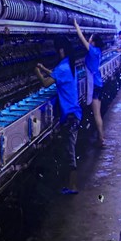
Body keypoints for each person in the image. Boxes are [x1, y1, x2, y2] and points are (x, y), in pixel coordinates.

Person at [35, 37, 82, 194]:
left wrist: (37, 72)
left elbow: (46, 83)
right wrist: (44, 69)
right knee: (69, 149)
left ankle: (73, 187)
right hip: (74, 113)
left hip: (69, 115)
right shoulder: (69, 64)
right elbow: (57, 75)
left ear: (61, 50)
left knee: (69, 151)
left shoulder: (62, 67)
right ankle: (69, 185)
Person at [74, 19, 105, 146]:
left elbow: (81, 38)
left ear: (93, 42)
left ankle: (101, 138)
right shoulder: (97, 51)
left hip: (95, 85)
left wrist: (76, 25)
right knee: (97, 113)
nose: (88, 39)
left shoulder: (92, 50)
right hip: (98, 83)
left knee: (97, 113)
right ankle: (101, 136)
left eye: (90, 38)